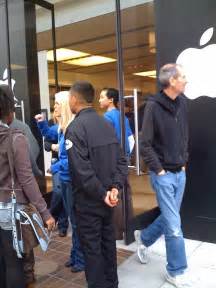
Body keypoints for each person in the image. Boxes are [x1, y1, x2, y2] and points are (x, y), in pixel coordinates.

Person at [66, 81, 128, 288]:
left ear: (74, 99)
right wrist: (114, 188)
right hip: (108, 200)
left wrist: (104, 193)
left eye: (68, 98)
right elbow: (122, 160)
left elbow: (81, 171)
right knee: (108, 246)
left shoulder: (75, 128)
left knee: (92, 252)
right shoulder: (106, 124)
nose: (68, 102)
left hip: (89, 203)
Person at [134, 64, 189, 288]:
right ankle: (175, 271)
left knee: (170, 217)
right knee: (174, 225)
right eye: (183, 76)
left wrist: (184, 161)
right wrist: (159, 170)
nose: (186, 80)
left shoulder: (182, 103)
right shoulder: (153, 107)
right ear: (172, 81)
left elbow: (184, 134)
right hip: (163, 175)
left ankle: (144, 238)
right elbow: (144, 143)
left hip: (179, 173)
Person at [0, 85, 55, 288]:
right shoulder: (15, 137)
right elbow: (27, 179)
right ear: (9, 110)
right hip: (10, 209)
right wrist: (45, 212)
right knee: (14, 262)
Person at [35, 91, 85, 273]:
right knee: (74, 220)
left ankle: (80, 258)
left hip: (72, 182)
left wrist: (54, 168)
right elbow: (48, 134)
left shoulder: (72, 128)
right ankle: (75, 255)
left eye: (57, 104)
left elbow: (73, 159)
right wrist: (41, 123)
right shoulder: (63, 127)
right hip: (65, 181)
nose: (54, 107)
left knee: (77, 222)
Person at [99, 87, 134, 240]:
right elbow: (131, 140)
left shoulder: (106, 118)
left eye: (101, 97)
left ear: (110, 100)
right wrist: (126, 155)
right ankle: (129, 226)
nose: (99, 100)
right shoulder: (123, 117)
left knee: (115, 193)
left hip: (112, 161)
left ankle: (116, 232)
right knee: (126, 192)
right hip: (123, 160)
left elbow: (104, 144)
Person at [44, 111, 69, 237]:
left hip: (67, 162)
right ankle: (52, 217)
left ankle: (62, 224)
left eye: (58, 105)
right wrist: (54, 146)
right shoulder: (51, 123)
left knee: (63, 193)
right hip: (56, 161)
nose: (56, 108)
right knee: (58, 192)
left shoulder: (70, 121)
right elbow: (46, 145)